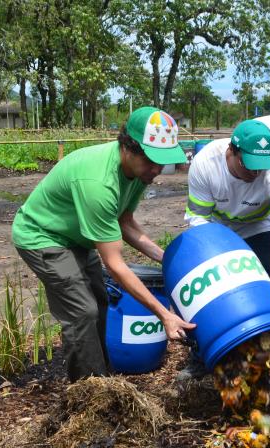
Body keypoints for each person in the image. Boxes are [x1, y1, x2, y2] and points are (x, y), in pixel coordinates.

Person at [12, 106, 195, 382]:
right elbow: (116, 266)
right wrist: (163, 314)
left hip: (77, 237)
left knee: (99, 300)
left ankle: (100, 376)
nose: (157, 170)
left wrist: (167, 258)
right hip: (42, 236)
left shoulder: (137, 172)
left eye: (162, 162)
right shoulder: (99, 182)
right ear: (127, 148)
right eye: (151, 161)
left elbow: (125, 221)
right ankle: (89, 393)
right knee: (82, 312)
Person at [185, 119, 270, 297]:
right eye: (248, 164)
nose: (255, 173)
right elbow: (198, 218)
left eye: (261, 166)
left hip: (258, 227)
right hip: (218, 229)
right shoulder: (206, 163)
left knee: (262, 284)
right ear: (232, 150)